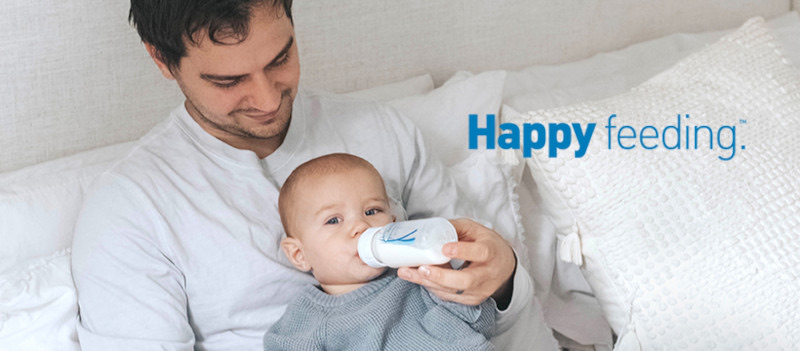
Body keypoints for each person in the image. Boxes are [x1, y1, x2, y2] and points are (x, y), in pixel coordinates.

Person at [71, 1, 534, 350]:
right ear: (161, 60)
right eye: (229, 81)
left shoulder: (381, 131)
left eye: (280, 59)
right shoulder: (130, 208)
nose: (268, 99)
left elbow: (489, 296)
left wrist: (503, 276)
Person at [264, 153, 495, 350]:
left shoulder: (418, 275)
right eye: (334, 220)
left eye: (372, 211)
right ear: (299, 255)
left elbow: (481, 325)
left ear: (394, 222)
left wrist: (452, 293)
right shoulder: (305, 320)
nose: (361, 227)